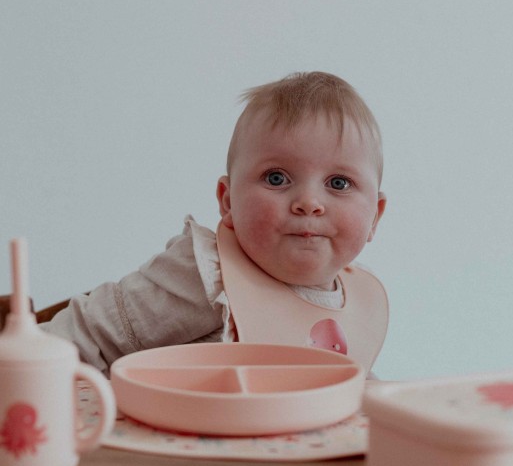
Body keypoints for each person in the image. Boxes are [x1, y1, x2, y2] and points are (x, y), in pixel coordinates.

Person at [40, 72, 388, 376]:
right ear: (227, 201)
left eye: (339, 183)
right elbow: (92, 332)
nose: (309, 203)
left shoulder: (360, 301)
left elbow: (351, 389)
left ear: (375, 216)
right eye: (277, 178)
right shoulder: (210, 275)